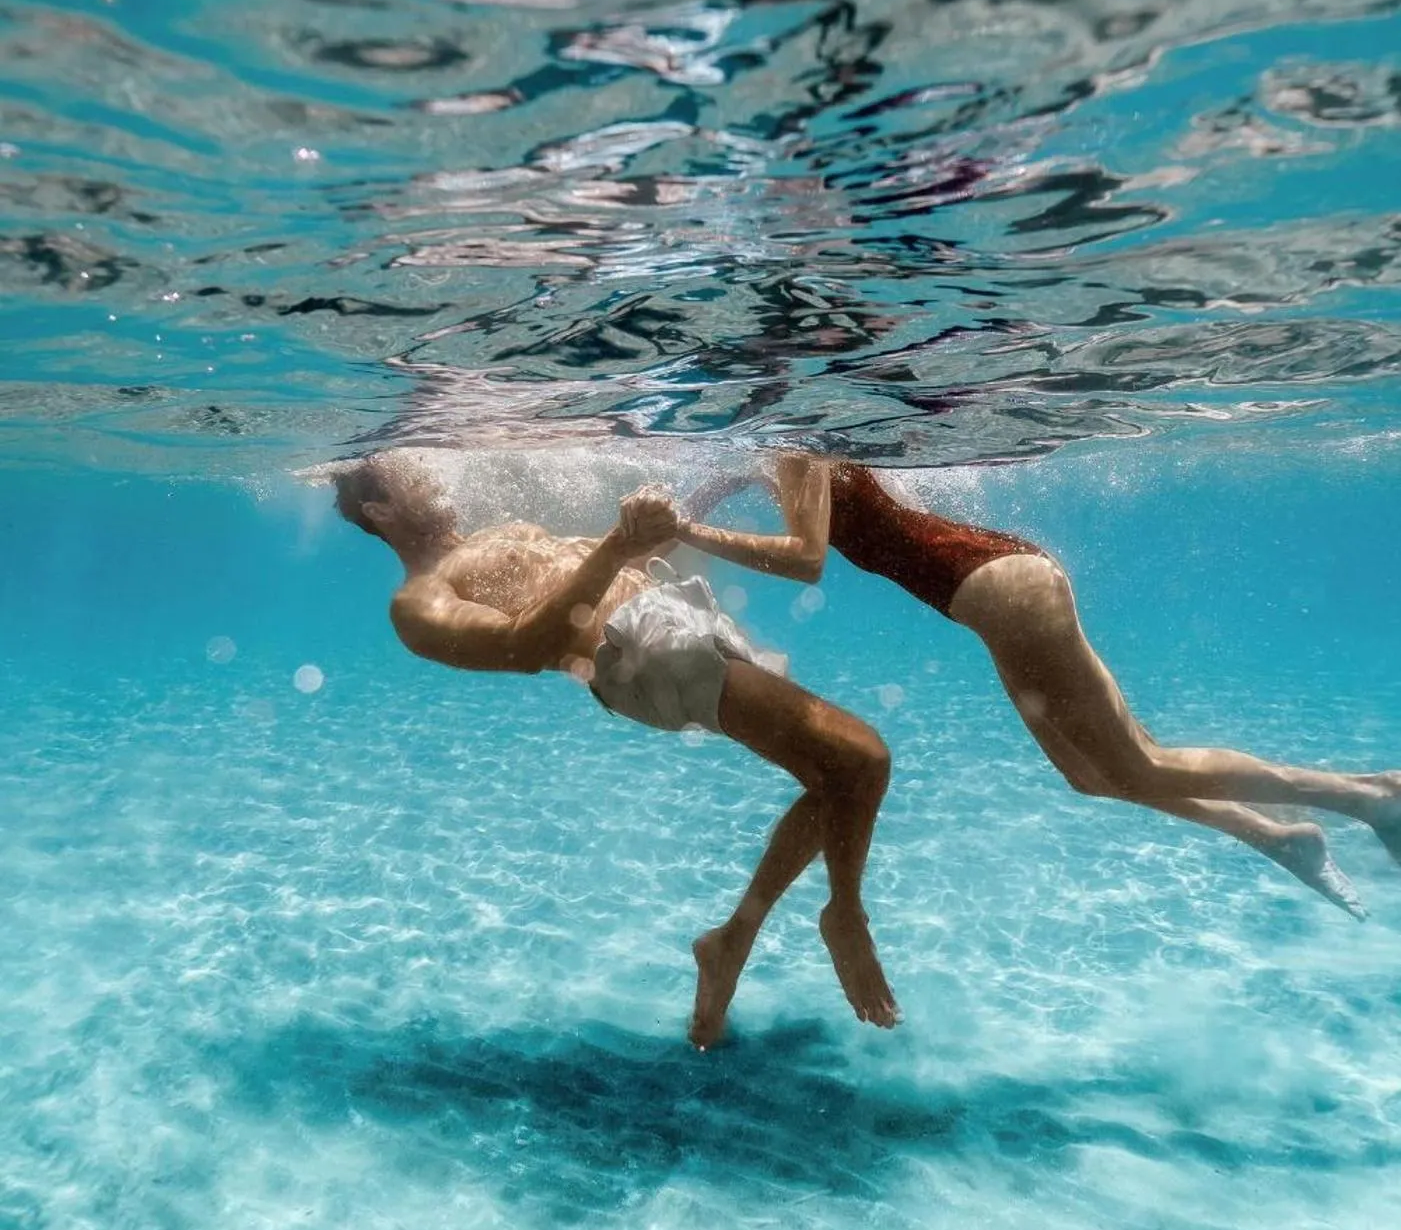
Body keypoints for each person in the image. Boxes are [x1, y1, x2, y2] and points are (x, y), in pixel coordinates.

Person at [676, 454, 1401, 937]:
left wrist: (686, 526)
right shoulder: (775, 453)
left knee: (1141, 762)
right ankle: (1280, 836)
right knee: (1092, 774)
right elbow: (742, 489)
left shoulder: (797, 448)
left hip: (1007, 591)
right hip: (997, 596)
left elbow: (806, 560)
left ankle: (1366, 795)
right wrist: (690, 502)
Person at [329, 450, 898, 1046]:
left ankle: (732, 942)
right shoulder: (418, 599)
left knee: (838, 779)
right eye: (412, 474)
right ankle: (842, 915)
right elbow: (525, 647)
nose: (432, 474)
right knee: (863, 760)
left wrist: (687, 506)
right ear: (380, 508)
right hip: (639, 654)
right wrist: (617, 545)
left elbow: (618, 561)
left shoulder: (492, 537)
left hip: (674, 617)